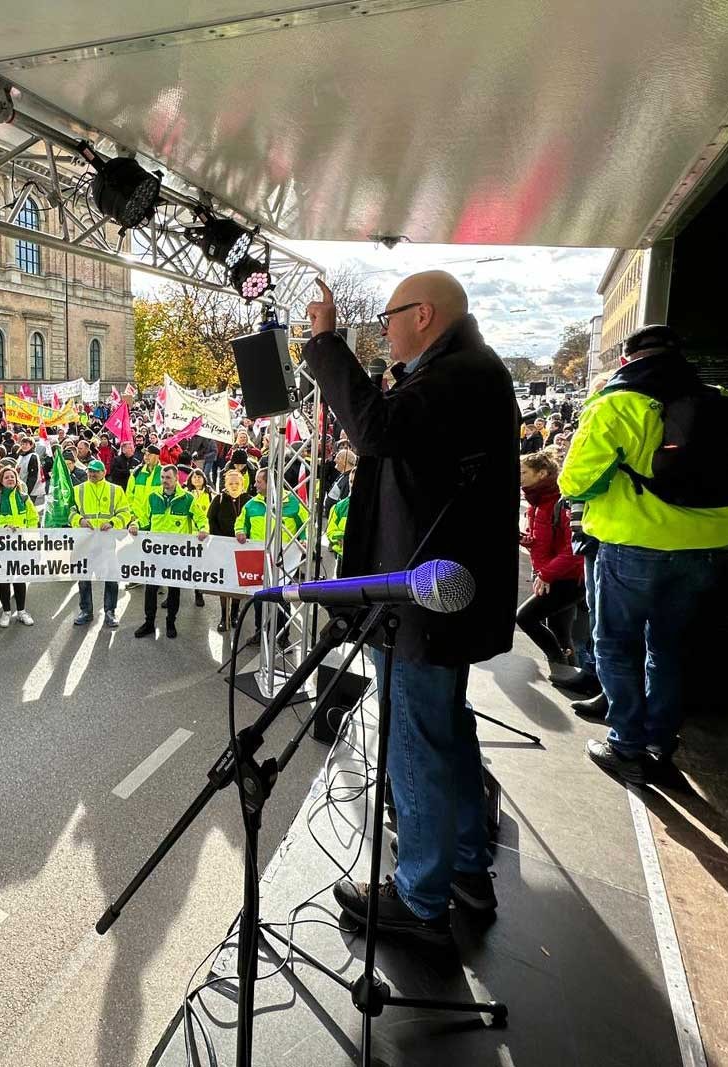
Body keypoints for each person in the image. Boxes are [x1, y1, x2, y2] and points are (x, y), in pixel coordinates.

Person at [303, 270, 518, 943]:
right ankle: (463, 869)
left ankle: (421, 897)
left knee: (417, 739)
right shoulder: (466, 371)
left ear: (424, 314)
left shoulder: (458, 374)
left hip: (424, 602)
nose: (384, 329)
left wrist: (326, 343)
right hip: (431, 593)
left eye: (391, 316)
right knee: (444, 730)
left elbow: (375, 428)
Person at [559, 324, 728, 785]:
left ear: (628, 359)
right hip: (706, 547)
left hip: (633, 544)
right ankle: (661, 742)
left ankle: (626, 747)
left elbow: (575, 482)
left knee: (616, 644)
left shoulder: (615, 404)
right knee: (668, 647)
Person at [515, 450, 586, 683]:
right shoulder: (538, 501)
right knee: (560, 630)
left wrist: (546, 573)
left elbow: (573, 549)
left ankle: (559, 664)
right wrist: (526, 540)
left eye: (524, 472)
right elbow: (546, 541)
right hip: (554, 575)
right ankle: (570, 675)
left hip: (566, 578)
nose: (520, 476)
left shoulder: (561, 501)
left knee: (525, 617)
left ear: (542, 473)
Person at [129, 465, 208, 639]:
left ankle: (170, 622)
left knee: (174, 590)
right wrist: (135, 524)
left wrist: (203, 528)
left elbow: (201, 518)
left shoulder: (187, 498)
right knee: (150, 590)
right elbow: (143, 517)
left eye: (168, 478)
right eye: (162, 478)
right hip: (155, 553)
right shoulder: (152, 496)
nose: (164, 481)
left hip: (176, 555)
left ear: (176, 479)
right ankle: (149, 623)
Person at [69, 460, 132, 628]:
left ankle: (110, 612)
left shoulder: (116, 490)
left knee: (111, 577)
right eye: (90, 471)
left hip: (107, 541)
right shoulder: (78, 490)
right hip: (85, 542)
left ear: (104, 472)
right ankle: (86, 611)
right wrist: (79, 520)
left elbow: (125, 513)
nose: (92, 474)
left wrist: (112, 523)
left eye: (96, 471)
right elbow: (70, 511)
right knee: (84, 577)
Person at [0, 465, 38, 627]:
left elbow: (33, 519)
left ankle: (21, 611)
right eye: (6, 477)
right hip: (2, 547)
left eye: (12, 477)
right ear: (0, 480)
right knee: (4, 580)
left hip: (21, 546)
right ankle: (6, 612)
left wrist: (28, 534)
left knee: (20, 579)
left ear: (17, 480)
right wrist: (4, 528)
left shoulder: (24, 498)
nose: (10, 479)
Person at [208, 468, 250, 633]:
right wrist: (222, 541)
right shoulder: (218, 499)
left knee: (238, 583)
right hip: (223, 549)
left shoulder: (249, 500)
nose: (234, 486)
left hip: (242, 548)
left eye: (237, 483)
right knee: (224, 584)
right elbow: (210, 521)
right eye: (230, 483)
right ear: (225, 484)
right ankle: (223, 616)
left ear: (242, 484)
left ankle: (235, 613)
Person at [185, 468, 212, 607]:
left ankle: (198, 593)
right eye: (194, 477)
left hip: (204, 535)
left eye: (199, 477)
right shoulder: (186, 494)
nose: (197, 479)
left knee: (199, 566)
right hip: (189, 534)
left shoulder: (210, 494)